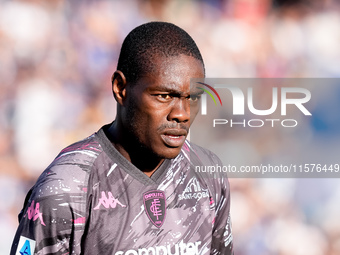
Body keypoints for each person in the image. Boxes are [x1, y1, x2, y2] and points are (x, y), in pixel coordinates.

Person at [10, 22, 233, 255]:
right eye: (165, 96)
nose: (182, 114)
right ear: (120, 88)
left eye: (193, 98)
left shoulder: (208, 173)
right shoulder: (66, 187)